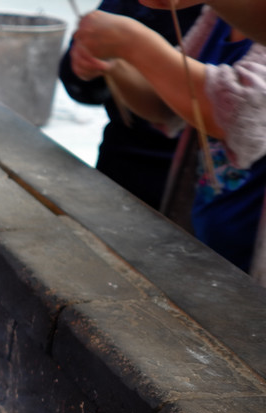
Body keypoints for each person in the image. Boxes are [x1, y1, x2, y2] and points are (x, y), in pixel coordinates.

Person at [74, 8, 266, 272]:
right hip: (206, 237)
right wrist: (114, 64)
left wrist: (133, 42)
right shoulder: (217, 17)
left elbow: (241, 115)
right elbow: (167, 103)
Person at [60, 1, 201, 209]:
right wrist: (90, 63)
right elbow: (84, 89)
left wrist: (131, 46)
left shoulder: (224, 20)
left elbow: (182, 110)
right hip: (120, 163)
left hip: (194, 186)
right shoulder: (125, 6)